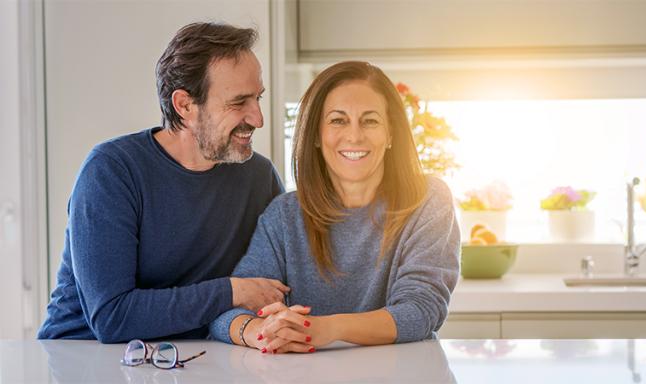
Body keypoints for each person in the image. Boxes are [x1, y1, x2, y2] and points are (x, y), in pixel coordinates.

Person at [38, 22, 289, 343]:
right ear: (184, 105)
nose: (258, 118)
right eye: (238, 102)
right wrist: (232, 291)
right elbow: (112, 317)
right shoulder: (112, 171)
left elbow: (276, 286)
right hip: (81, 357)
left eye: (258, 98)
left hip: (193, 357)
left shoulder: (259, 177)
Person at [210, 61, 460, 353]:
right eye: (338, 120)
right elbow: (228, 312)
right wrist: (257, 331)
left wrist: (326, 329)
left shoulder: (427, 199)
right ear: (316, 135)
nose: (354, 136)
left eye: (370, 121)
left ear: (391, 133)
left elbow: (421, 311)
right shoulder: (285, 215)